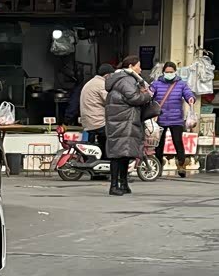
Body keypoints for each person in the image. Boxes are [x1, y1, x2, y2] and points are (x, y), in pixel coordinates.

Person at [103, 55, 153, 196]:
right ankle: (114, 186)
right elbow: (134, 98)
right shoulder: (126, 79)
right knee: (118, 155)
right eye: (139, 66)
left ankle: (123, 184)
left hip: (121, 120)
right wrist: (148, 96)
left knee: (124, 154)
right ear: (131, 66)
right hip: (123, 121)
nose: (140, 69)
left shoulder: (121, 78)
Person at [151, 61, 196, 178]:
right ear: (163, 72)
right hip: (160, 118)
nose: (169, 74)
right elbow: (149, 95)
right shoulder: (156, 84)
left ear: (175, 72)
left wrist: (191, 98)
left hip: (176, 119)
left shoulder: (181, 84)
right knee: (158, 144)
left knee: (178, 142)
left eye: (171, 72)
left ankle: (181, 165)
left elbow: (188, 93)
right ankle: (158, 166)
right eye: (167, 72)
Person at [79, 64, 114, 156]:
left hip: (89, 122)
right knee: (116, 135)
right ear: (107, 75)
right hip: (98, 122)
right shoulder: (101, 84)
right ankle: (109, 159)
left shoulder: (91, 82)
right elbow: (110, 101)